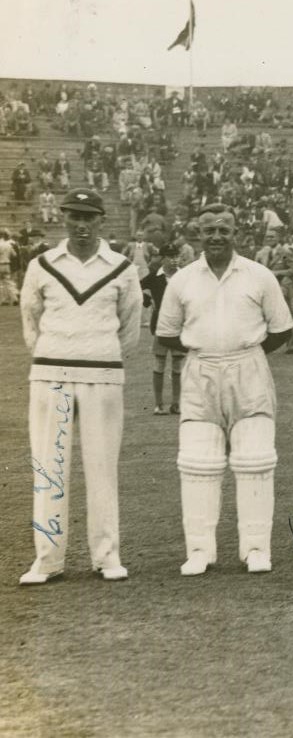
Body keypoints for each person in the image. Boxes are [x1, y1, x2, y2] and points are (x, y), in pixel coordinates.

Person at [155, 204, 293, 575]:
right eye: (209, 230)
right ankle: (200, 550)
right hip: (200, 372)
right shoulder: (182, 279)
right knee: (198, 463)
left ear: (237, 232)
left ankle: (256, 549)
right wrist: (209, 352)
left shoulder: (259, 275)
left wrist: (243, 354)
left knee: (256, 461)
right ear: (197, 234)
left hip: (249, 368)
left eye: (223, 229)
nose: (216, 236)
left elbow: (281, 329)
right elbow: (167, 333)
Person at [19, 189, 143, 584]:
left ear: (101, 220)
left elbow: (130, 328)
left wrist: (98, 354)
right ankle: (48, 560)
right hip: (50, 375)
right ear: (63, 219)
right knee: (49, 468)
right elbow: (30, 321)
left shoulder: (121, 267)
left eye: (89, 217)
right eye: (74, 216)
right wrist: (54, 355)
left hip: (102, 375)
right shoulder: (41, 264)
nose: (82, 224)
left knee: (102, 466)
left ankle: (107, 557)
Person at [140, 245, 187, 415]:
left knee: (177, 364)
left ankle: (176, 403)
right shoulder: (155, 276)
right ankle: (159, 404)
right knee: (159, 362)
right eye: (170, 256)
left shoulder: (185, 276)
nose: (174, 260)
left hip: (180, 326)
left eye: (177, 256)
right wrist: (147, 300)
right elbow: (138, 287)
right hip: (160, 325)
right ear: (163, 258)